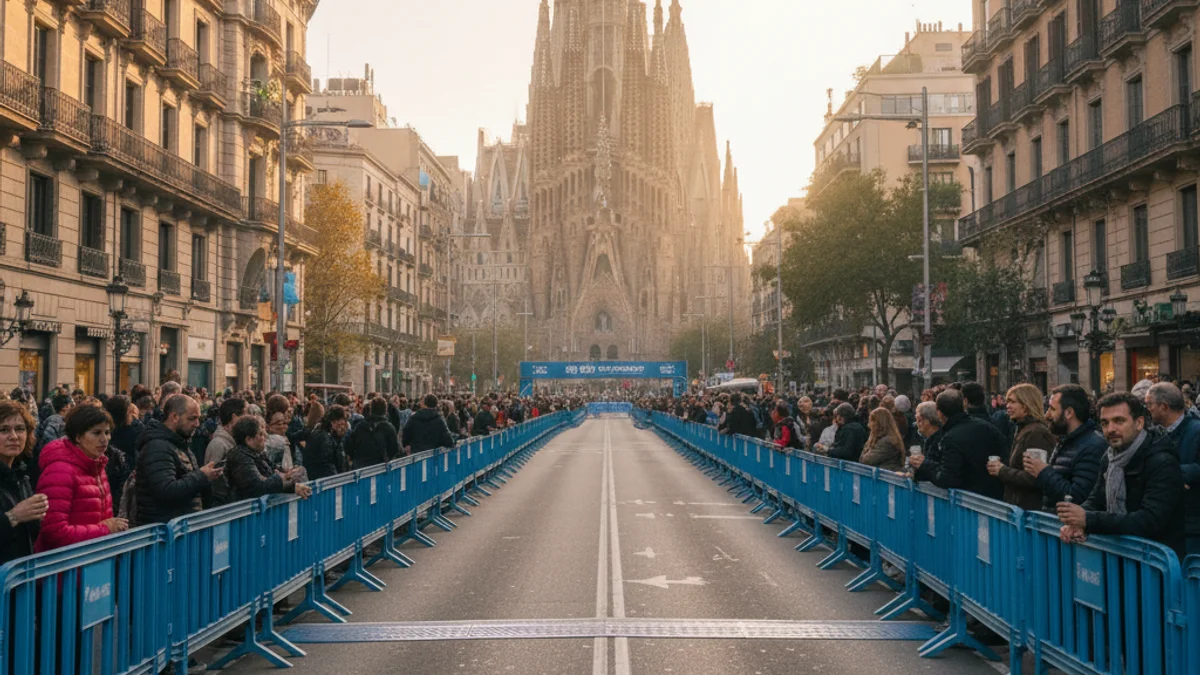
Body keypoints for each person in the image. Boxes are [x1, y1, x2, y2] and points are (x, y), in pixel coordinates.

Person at [1057, 392, 1186, 559]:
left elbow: (1150, 520)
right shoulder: (1109, 457)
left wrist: (1088, 520)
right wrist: (1076, 522)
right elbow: (1097, 499)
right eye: (1104, 423)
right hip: (1120, 559)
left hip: (1154, 565)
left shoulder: (1161, 460)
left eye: (1119, 421)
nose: (1111, 429)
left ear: (1139, 423)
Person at [34, 404, 127, 552]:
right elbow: (55, 533)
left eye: (107, 432)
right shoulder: (60, 471)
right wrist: (105, 529)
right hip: (65, 567)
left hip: (91, 561)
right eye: (96, 433)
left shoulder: (96, 465)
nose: (104, 439)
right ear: (78, 437)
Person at [135, 395, 221, 525]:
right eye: (192, 419)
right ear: (174, 417)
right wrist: (202, 476)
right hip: (166, 530)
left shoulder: (180, 443)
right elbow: (166, 490)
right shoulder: (157, 447)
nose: (197, 424)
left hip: (181, 527)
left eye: (198, 418)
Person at [1028, 384, 1105, 511]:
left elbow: (1077, 497)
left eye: (1052, 409)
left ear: (1069, 412)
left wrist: (1043, 472)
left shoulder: (1093, 446)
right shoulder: (1065, 439)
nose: (1047, 415)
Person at [1144, 382, 1200, 556]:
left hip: (1191, 525)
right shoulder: (1153, 434)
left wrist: (1173, 476)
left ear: (1164, 407)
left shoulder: (1196, 431)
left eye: (1149, 404)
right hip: (1168, 523)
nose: (1147, 409)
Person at [988, 383, 1056, 511]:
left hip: (1030, 511)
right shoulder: (1023, 429)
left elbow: (1035, 477)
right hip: (1019, 508)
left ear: (1026, 405)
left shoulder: (1036, 433)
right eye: (1007, 401)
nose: (1007, 406)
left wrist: (1002, 471)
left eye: (1012, 402)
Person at [925, 389, 1004, 499]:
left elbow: (948, 478)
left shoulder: (950, 438)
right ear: (963, 405)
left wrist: (925, 466)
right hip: (995, 496)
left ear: (939, 413)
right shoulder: (986, 426)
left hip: (972, 500)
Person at [225, 417, 312, 502]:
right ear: (249, 439)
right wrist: (284, 479)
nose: (264, 437)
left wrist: (289, 478)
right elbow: (258, 486)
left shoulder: (258, 454)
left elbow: (273, 471)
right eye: (261, 434)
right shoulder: (240, 457)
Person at [0, 401, 45, 563]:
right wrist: (13, 516)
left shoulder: (21, 473)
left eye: (20, 429)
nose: (14, 436)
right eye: (4, 430)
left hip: (20, 577)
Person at [203, 398, 247, 506]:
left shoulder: (235, 441)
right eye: (246, 414)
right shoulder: (218, 444)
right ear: (234, 417)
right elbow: (214, 482)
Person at [347, 397, 400, 468]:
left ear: (371, 410)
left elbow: (350, 445)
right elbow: (394, 448)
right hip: (379, 467)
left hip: (360, 467)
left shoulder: (360, 426)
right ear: (385, 410)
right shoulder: (388, 427)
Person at [305, 406, 350, 480]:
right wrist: (339, 480)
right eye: (342, 420)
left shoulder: (324, 434)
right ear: (334, 422)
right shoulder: (325, 437)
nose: (344, 424)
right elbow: (327, 464)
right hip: (327, 481)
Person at [860, 407, 904, 472]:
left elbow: (865, 460)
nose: (868, 425)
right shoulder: (886, 438)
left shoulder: (886, 442)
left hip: (887, 477)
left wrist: (870, 439)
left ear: (878, 423)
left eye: (871, 421)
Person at [909, 401, 943, 483]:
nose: (917, 423)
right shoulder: (930, 439)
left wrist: (923, 464)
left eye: (918, 419)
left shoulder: (941, 441)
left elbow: (943, 475)